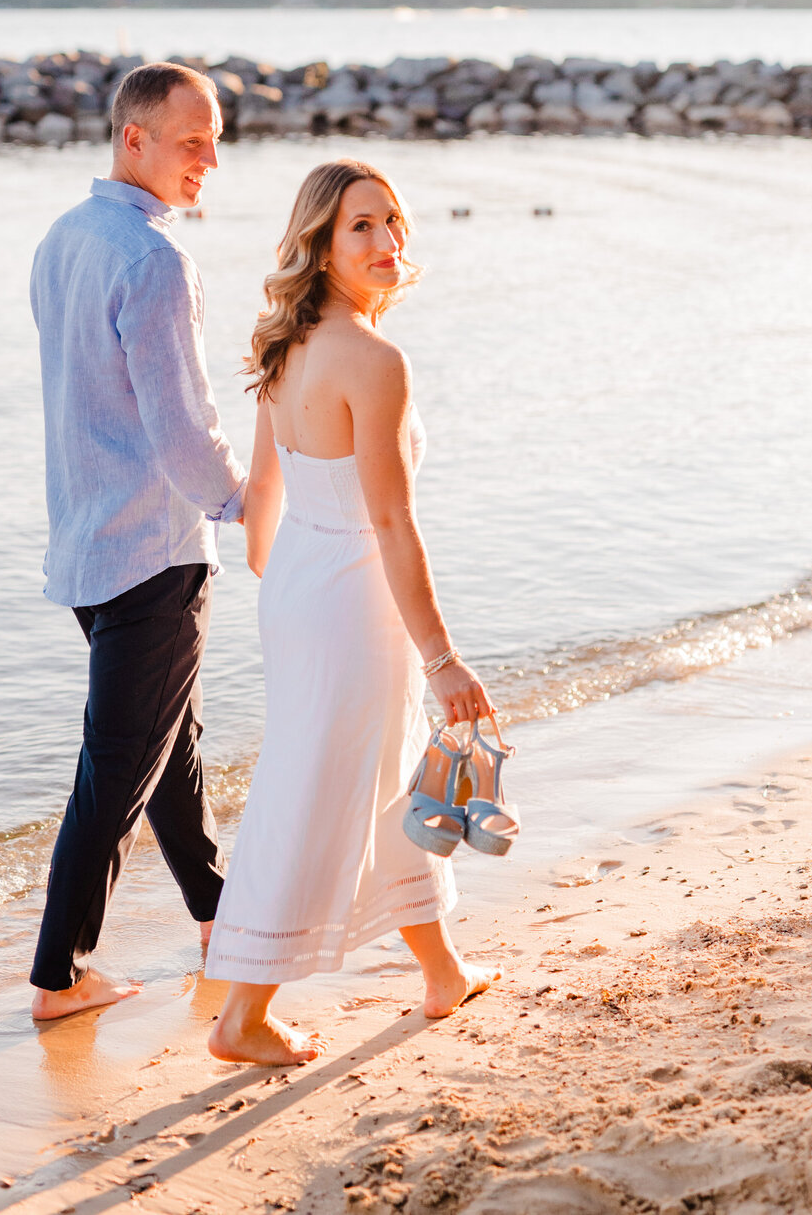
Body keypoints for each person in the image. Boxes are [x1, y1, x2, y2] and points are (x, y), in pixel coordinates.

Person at [204, 158, 499, 1066]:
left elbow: (266, 496)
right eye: (360, 227)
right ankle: (242, 1015)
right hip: (352, 595)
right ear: (320, 244)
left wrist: (278, 580)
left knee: (386, 780)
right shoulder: (374, 361)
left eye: (392, 223)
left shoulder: (286, 346)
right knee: (316, 791)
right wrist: (444, 658)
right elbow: (391, 520)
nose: (385, 243)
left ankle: (442, 972)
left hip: (303, 584)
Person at [28, 62, 248, 1020]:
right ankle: (60, 976)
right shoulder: (155, 262)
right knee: (117, 767)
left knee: (169, 746)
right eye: (191, 141)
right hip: (152, 552)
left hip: (84, 543)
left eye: (216, 143)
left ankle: (219, 915)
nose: (208, 161)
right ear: (135, 140)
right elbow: (184, 430)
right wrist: (248, 506)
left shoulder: (64, 237)